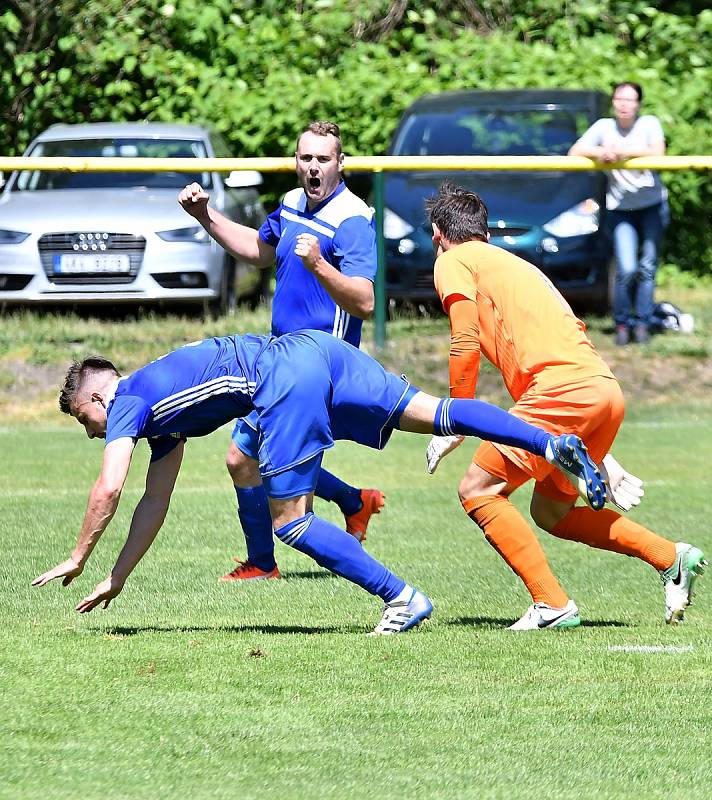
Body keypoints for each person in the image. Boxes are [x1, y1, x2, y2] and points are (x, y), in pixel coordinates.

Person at [31, 329, 607, 634]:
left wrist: (79, 557)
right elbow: (153, 502)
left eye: (88, 419)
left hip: (284, 377)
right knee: (437, 412)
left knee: (291, 520)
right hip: (316, 351)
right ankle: (549, 442)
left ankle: (403, 600)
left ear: (99, 397)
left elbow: (110, 490)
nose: (92, 433)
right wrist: (117, 577)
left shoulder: (128, 400)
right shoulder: (161, 417)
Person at [424, 182, 705, 629]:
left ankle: (552, 604)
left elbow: (464, 338)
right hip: (602, 390)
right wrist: (604, 456)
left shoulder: (454, 260)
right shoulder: (518, 267)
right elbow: (560, 357)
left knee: (478, 490)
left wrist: (456, 416)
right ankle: (670, 557)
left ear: (438, 234)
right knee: (550, 513)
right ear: (486, 234)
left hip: (563, 393)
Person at [179, 121, 385, 583]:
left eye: (323, 159)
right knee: (250, 460)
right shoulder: (292, 203)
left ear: (340, 163)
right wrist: (205, 217)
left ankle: (390, 589)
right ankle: (350, 505)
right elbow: (258, 249)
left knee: (275, 484)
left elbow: (365, 301)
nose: (313, 168)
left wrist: (320, 266)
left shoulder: (352, 220)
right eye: (305, 158)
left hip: (318, 366)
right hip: (279, 358)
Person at [568, 82, 668, 345]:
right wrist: (602, 152)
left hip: (652, 205)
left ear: (638, 104)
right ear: (613, 102)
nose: (624, 104)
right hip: (621, 209)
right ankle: (622, 323)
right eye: (619, 99)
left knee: (647, 266)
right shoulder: (604, 127)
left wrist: (623, 153)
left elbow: (658, 152)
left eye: (630, 100)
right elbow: (575, 151)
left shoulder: (648, 124)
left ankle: (643, 323)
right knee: (627, 267)